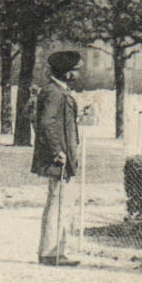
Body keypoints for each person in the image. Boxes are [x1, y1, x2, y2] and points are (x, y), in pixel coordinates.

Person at [32, 50, 83, 266]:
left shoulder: (58, 91)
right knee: (59, 204)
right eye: (75, 70)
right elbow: (45, 123)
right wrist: (57, 151)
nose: (78, 74)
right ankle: (52, 253)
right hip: (59, 159)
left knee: (58, 202)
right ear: (66, 73)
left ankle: (52, 251)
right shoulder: (54, 92)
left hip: (63, 156)